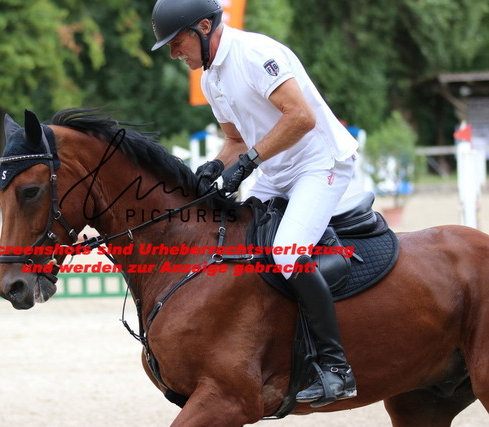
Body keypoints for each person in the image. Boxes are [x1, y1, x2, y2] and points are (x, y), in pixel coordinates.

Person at [151, 0, 359, 408]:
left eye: (176, 43)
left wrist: (248, 163)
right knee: (234, 243)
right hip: (277, 172)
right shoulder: (211, 78)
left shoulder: (255, 53)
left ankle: (336, 367)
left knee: (286, 254)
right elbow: (236, 139)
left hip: (320, 163)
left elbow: (300, 117)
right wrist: (216, 166)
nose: (175, 53)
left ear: (204, 27)